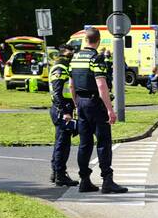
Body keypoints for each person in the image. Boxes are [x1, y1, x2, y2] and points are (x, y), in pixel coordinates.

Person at [69, 28, 127, 194]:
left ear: (85, 40)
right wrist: (110, 110)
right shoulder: (96, 58)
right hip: (96, 104)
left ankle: (84, 180)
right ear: (98, 40)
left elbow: (71, 85)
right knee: (103, 143)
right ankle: (107, 180)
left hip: (81, 102)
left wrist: (76, 103)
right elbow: (101, 86)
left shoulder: (74, 58)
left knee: (84, 144)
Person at [48, 45, 79, 187]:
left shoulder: (63, 67)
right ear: (62, 55)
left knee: (60, 142)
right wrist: (65, 111)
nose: (71, 58)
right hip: (62, 110)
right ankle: (60, 175)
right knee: (63, 144)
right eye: (69, 55)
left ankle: (55, 172)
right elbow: (57, 92)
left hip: (63, 109)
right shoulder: (60, 68)